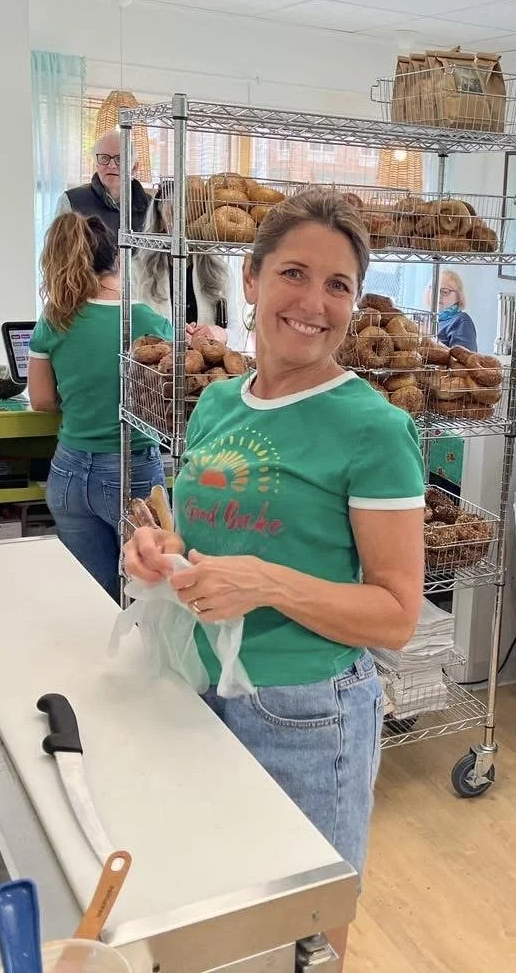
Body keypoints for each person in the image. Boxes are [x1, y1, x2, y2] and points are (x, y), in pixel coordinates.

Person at [123, 189, 425, 968]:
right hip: (196, 685)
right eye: (294, 272)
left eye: (338, 286)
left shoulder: (374, 428)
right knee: (216, 921)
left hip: (303, 716)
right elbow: (201, 532)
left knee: (301, 940)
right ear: (251, 280)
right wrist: (161, 551)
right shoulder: (218, 403)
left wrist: (269, 584)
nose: (314, 302)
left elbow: (396, 615)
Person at [28, 212, 171, 601]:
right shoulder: (143, 318)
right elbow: (170, 395)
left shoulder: (54, 319)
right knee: (148, 596)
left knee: (90, 599)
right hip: (132, 470)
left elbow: (40, 400)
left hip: (69, 472)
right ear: (117, 260)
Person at [135, 179, 229, 329]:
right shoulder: (138, 270)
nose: (183, 221)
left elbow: (236, 331)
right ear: (159, 222)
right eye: (173, 213)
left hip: (207, 352)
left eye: (190, 213)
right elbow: (132, 329)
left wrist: (219, 334)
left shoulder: (220, 271)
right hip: (160, 350)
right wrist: (168, 335)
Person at [55, 130, 150, 234]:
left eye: (120, 159)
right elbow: (58, 249)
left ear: (134, 167)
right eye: (104, 158)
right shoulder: (71, 201)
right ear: (96, 164)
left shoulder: (151, 205)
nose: (112, 165)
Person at [436, 270, 477, 350]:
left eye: (444, 292)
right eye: (433, 290)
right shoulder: (428, 318)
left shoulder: (461, 320)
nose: (437, 295)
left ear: (458, 296)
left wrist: (426, 339)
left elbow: (464, 358)